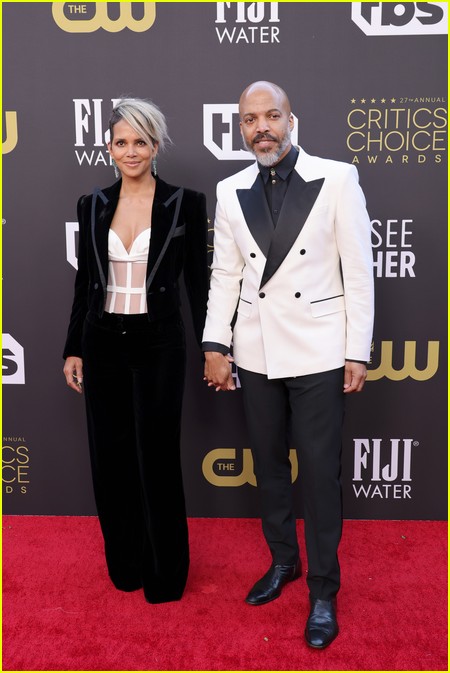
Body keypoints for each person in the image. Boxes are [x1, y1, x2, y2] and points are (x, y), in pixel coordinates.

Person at [202, 81, 374, 648]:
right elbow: (226, 275)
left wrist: (357, 349)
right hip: (256, 349)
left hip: (321, 348)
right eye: (251, 120)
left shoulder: (337, 178)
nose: (262, 127)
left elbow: (359, 270)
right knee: (270, 467)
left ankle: (323, 590)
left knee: (320, 475)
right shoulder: (230, 190)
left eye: (271, 115)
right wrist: (215, 344)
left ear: (291, 119)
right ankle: (284, 562)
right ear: (242, 128)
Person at [63, 97, 209, 604]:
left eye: (140, 141)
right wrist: (73, 347)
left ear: (156, 145)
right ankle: (125, 564)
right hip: (102, 341)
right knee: (111, 459)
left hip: (159, 343)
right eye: (121, 142)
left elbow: (199, 284)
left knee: (157, 459)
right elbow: (86, 281)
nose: (131, 151)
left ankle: (166, 574)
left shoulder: (185, 203)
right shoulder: (93, 204)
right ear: (108, 147)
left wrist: (213, 347)